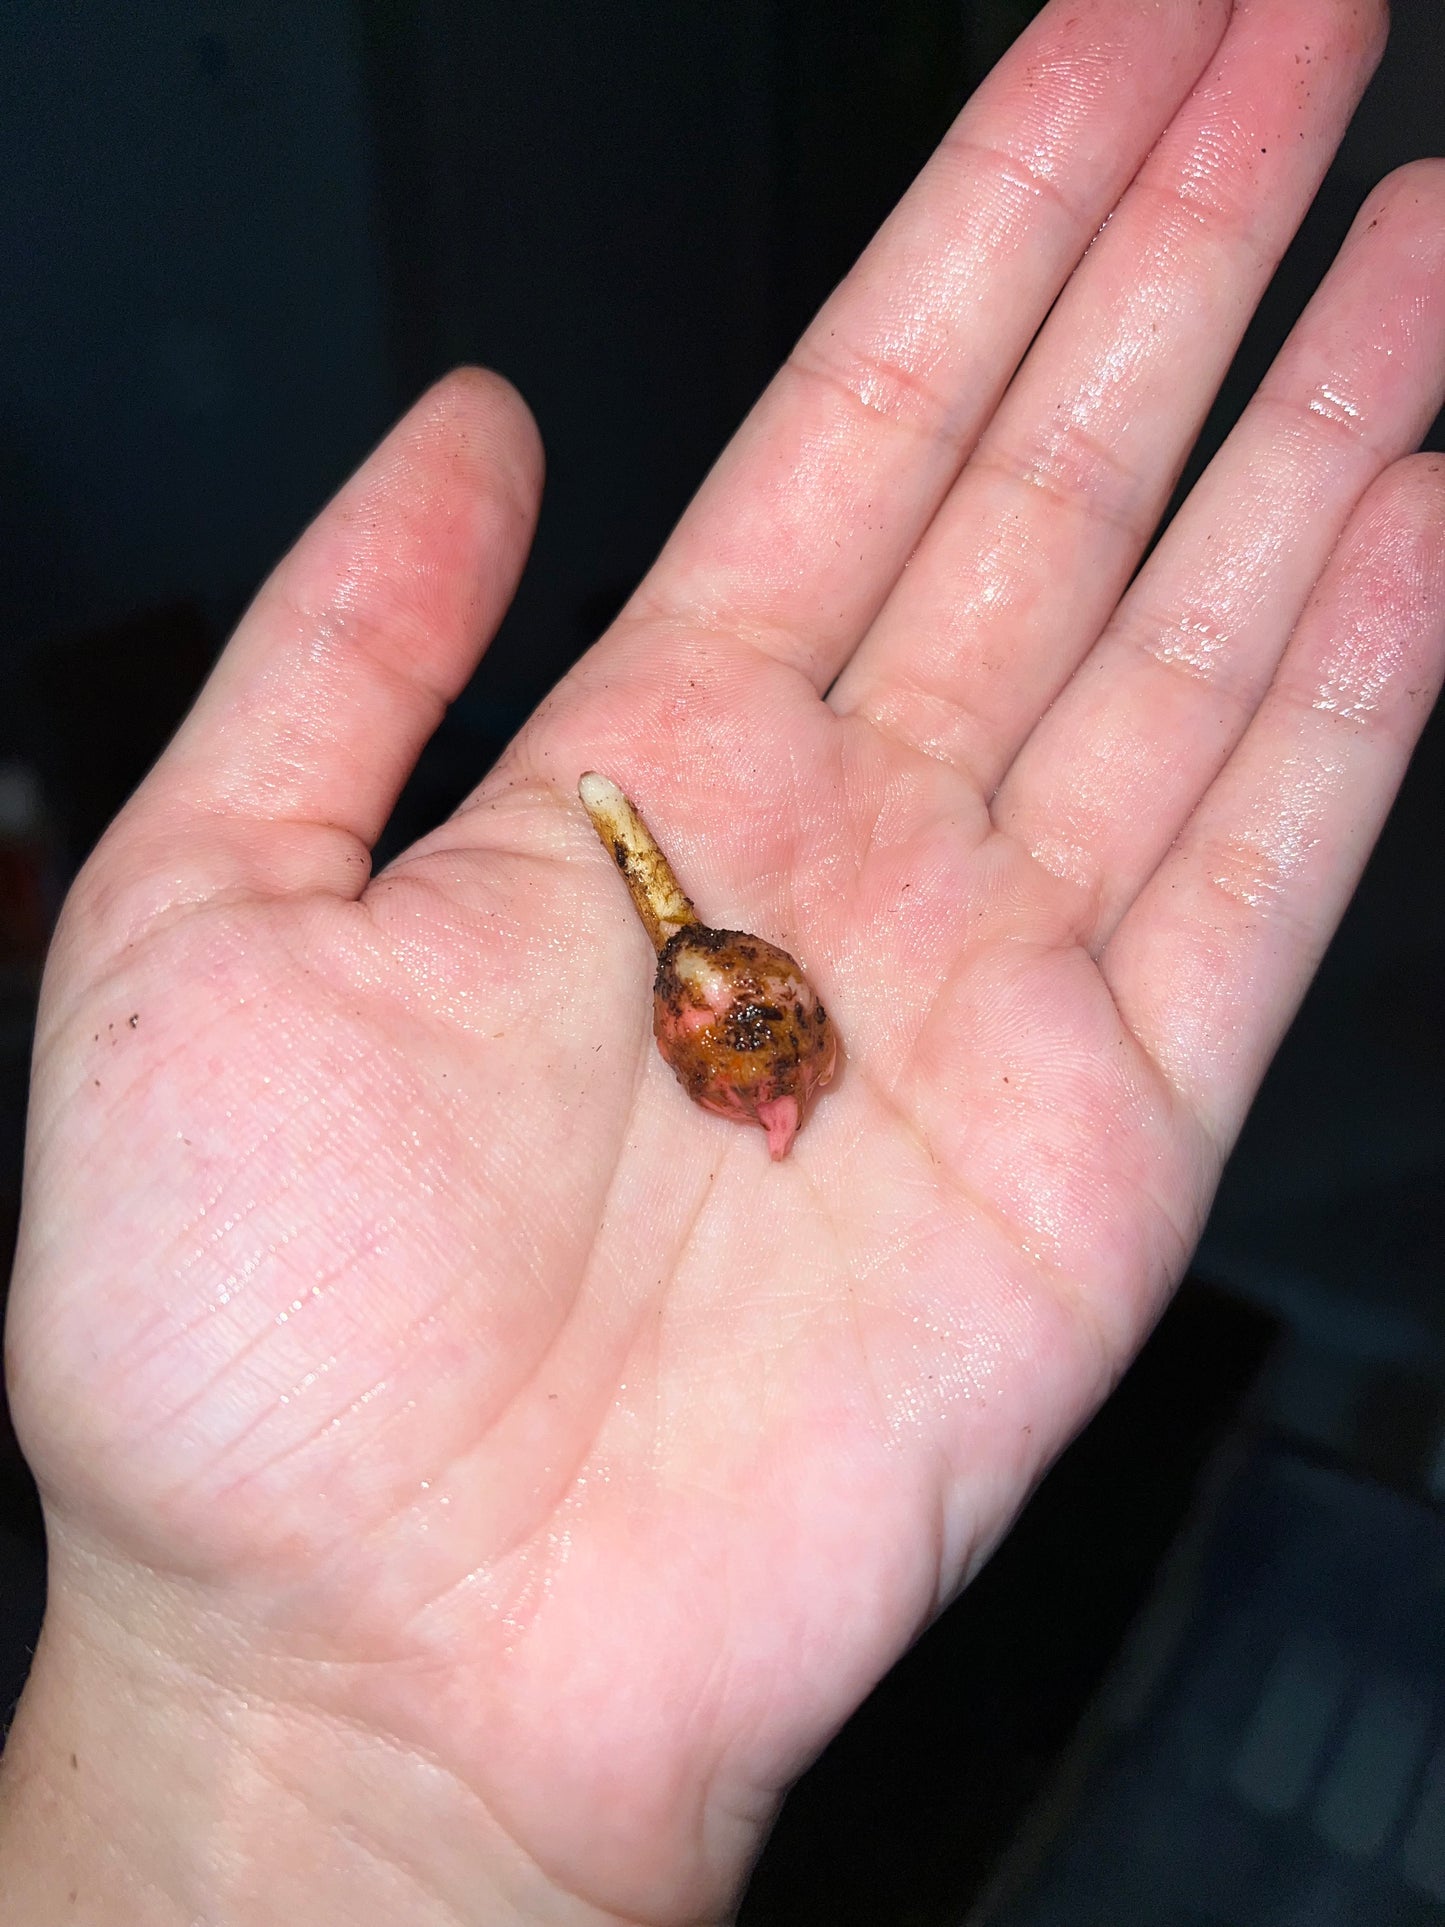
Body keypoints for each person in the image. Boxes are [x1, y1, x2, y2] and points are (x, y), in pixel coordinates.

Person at [1, 0, 1441, 1920]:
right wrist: (283, 1706)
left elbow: (744, 1006)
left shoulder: (748, 1021)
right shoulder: (721, 1013)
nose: (771, 1079)